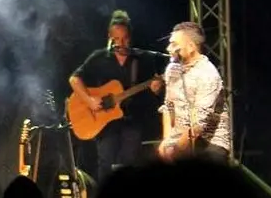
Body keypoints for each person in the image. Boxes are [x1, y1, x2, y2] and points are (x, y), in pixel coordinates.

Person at [68, 10, 164, 182]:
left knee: (129, 164)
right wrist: (89, 100)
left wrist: (156, 89)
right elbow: (74, 79)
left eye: (125, 38)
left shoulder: (142, 59)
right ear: (110, 37)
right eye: (117, 39)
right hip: (104, 122)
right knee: (105, 162)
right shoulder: (99, 58)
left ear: (130, 37)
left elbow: (153, 92)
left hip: (133, 119)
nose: (121, 43)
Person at [157, 21, 232, 163]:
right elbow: (169, 106)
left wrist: (175, 150)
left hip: (209, 143)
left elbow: (199, 124)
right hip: (180, 140)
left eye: (174, 44)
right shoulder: (172, 69)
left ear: (191, 47)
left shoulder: (208, 74)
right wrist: (167, 141)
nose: (168, 48)